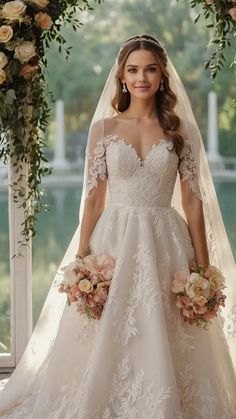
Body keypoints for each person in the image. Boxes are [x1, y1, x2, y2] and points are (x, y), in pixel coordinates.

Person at [0, 34, 236, 419]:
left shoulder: (180, 130)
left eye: (150, 69)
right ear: (122, 77)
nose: (141, 77)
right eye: (133, 69)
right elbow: (94, 197)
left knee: (167, 323)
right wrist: (81, 259)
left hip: (166, 238)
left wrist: (202, 269)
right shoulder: (105, 129)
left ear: (162, 76)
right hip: (114, 237)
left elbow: (193, 201)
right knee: (105, 322)